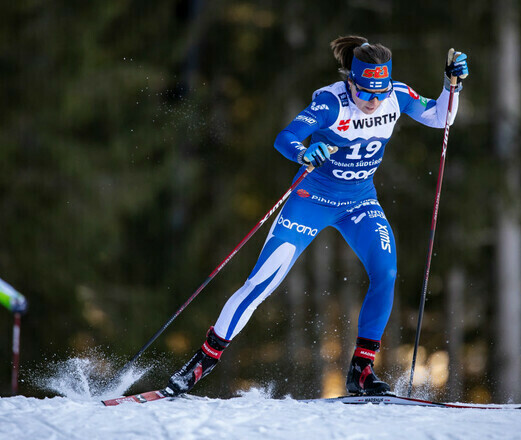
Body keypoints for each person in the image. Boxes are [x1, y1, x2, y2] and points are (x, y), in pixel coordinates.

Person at [164, 35, 469, 397]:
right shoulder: (330, 102)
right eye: (366, 92)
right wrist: (305, 152)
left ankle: (361, 370)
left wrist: (453, 85)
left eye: (380, 93)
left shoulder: (396, 95)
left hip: (359, 201)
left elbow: (440, 117)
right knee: (261, 282)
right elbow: (286, 137)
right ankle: (201, 362)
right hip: (311, 199)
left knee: (386, 272)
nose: (374, 101)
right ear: (350, 82)